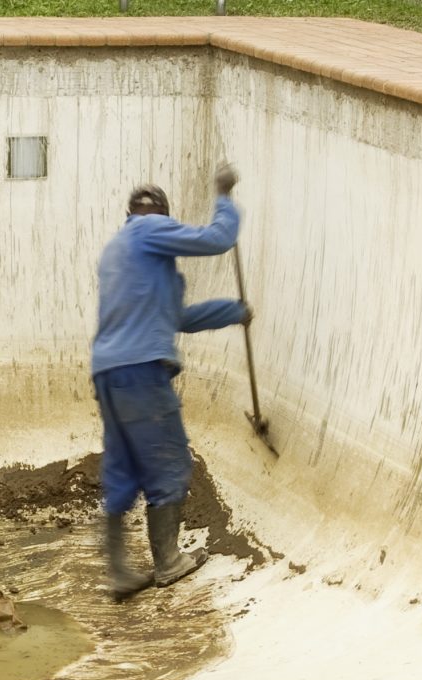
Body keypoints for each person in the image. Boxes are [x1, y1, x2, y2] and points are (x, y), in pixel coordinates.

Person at [90, 163, 249, 599]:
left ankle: (120, 572)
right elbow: (218, 239)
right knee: (169, 461)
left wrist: (233, 312)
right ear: (156, 213)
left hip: (109, 372)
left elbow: (177, 318)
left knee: (123, 468)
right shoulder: (146, 232)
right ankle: (168, 562)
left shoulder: (119, 252)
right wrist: (224, 197)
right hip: (141, 370)